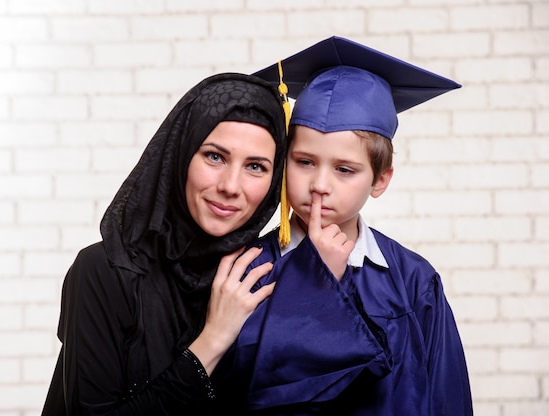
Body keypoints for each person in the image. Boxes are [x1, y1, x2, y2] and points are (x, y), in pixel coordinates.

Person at [211, 37, 473, 415]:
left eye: (344, 170)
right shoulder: (248, 271)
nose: (319, 184)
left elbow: (446, 397)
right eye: (303, 162)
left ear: (380, 180)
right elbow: (238, 392)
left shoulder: (414, 280)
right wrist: (312, 280)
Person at [41, 72, 289, 415]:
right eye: (215, 156)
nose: (231, 186)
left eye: (256, 167)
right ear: (182, 154)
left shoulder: (260, 276)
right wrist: (212, 341)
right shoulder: (105, 272)